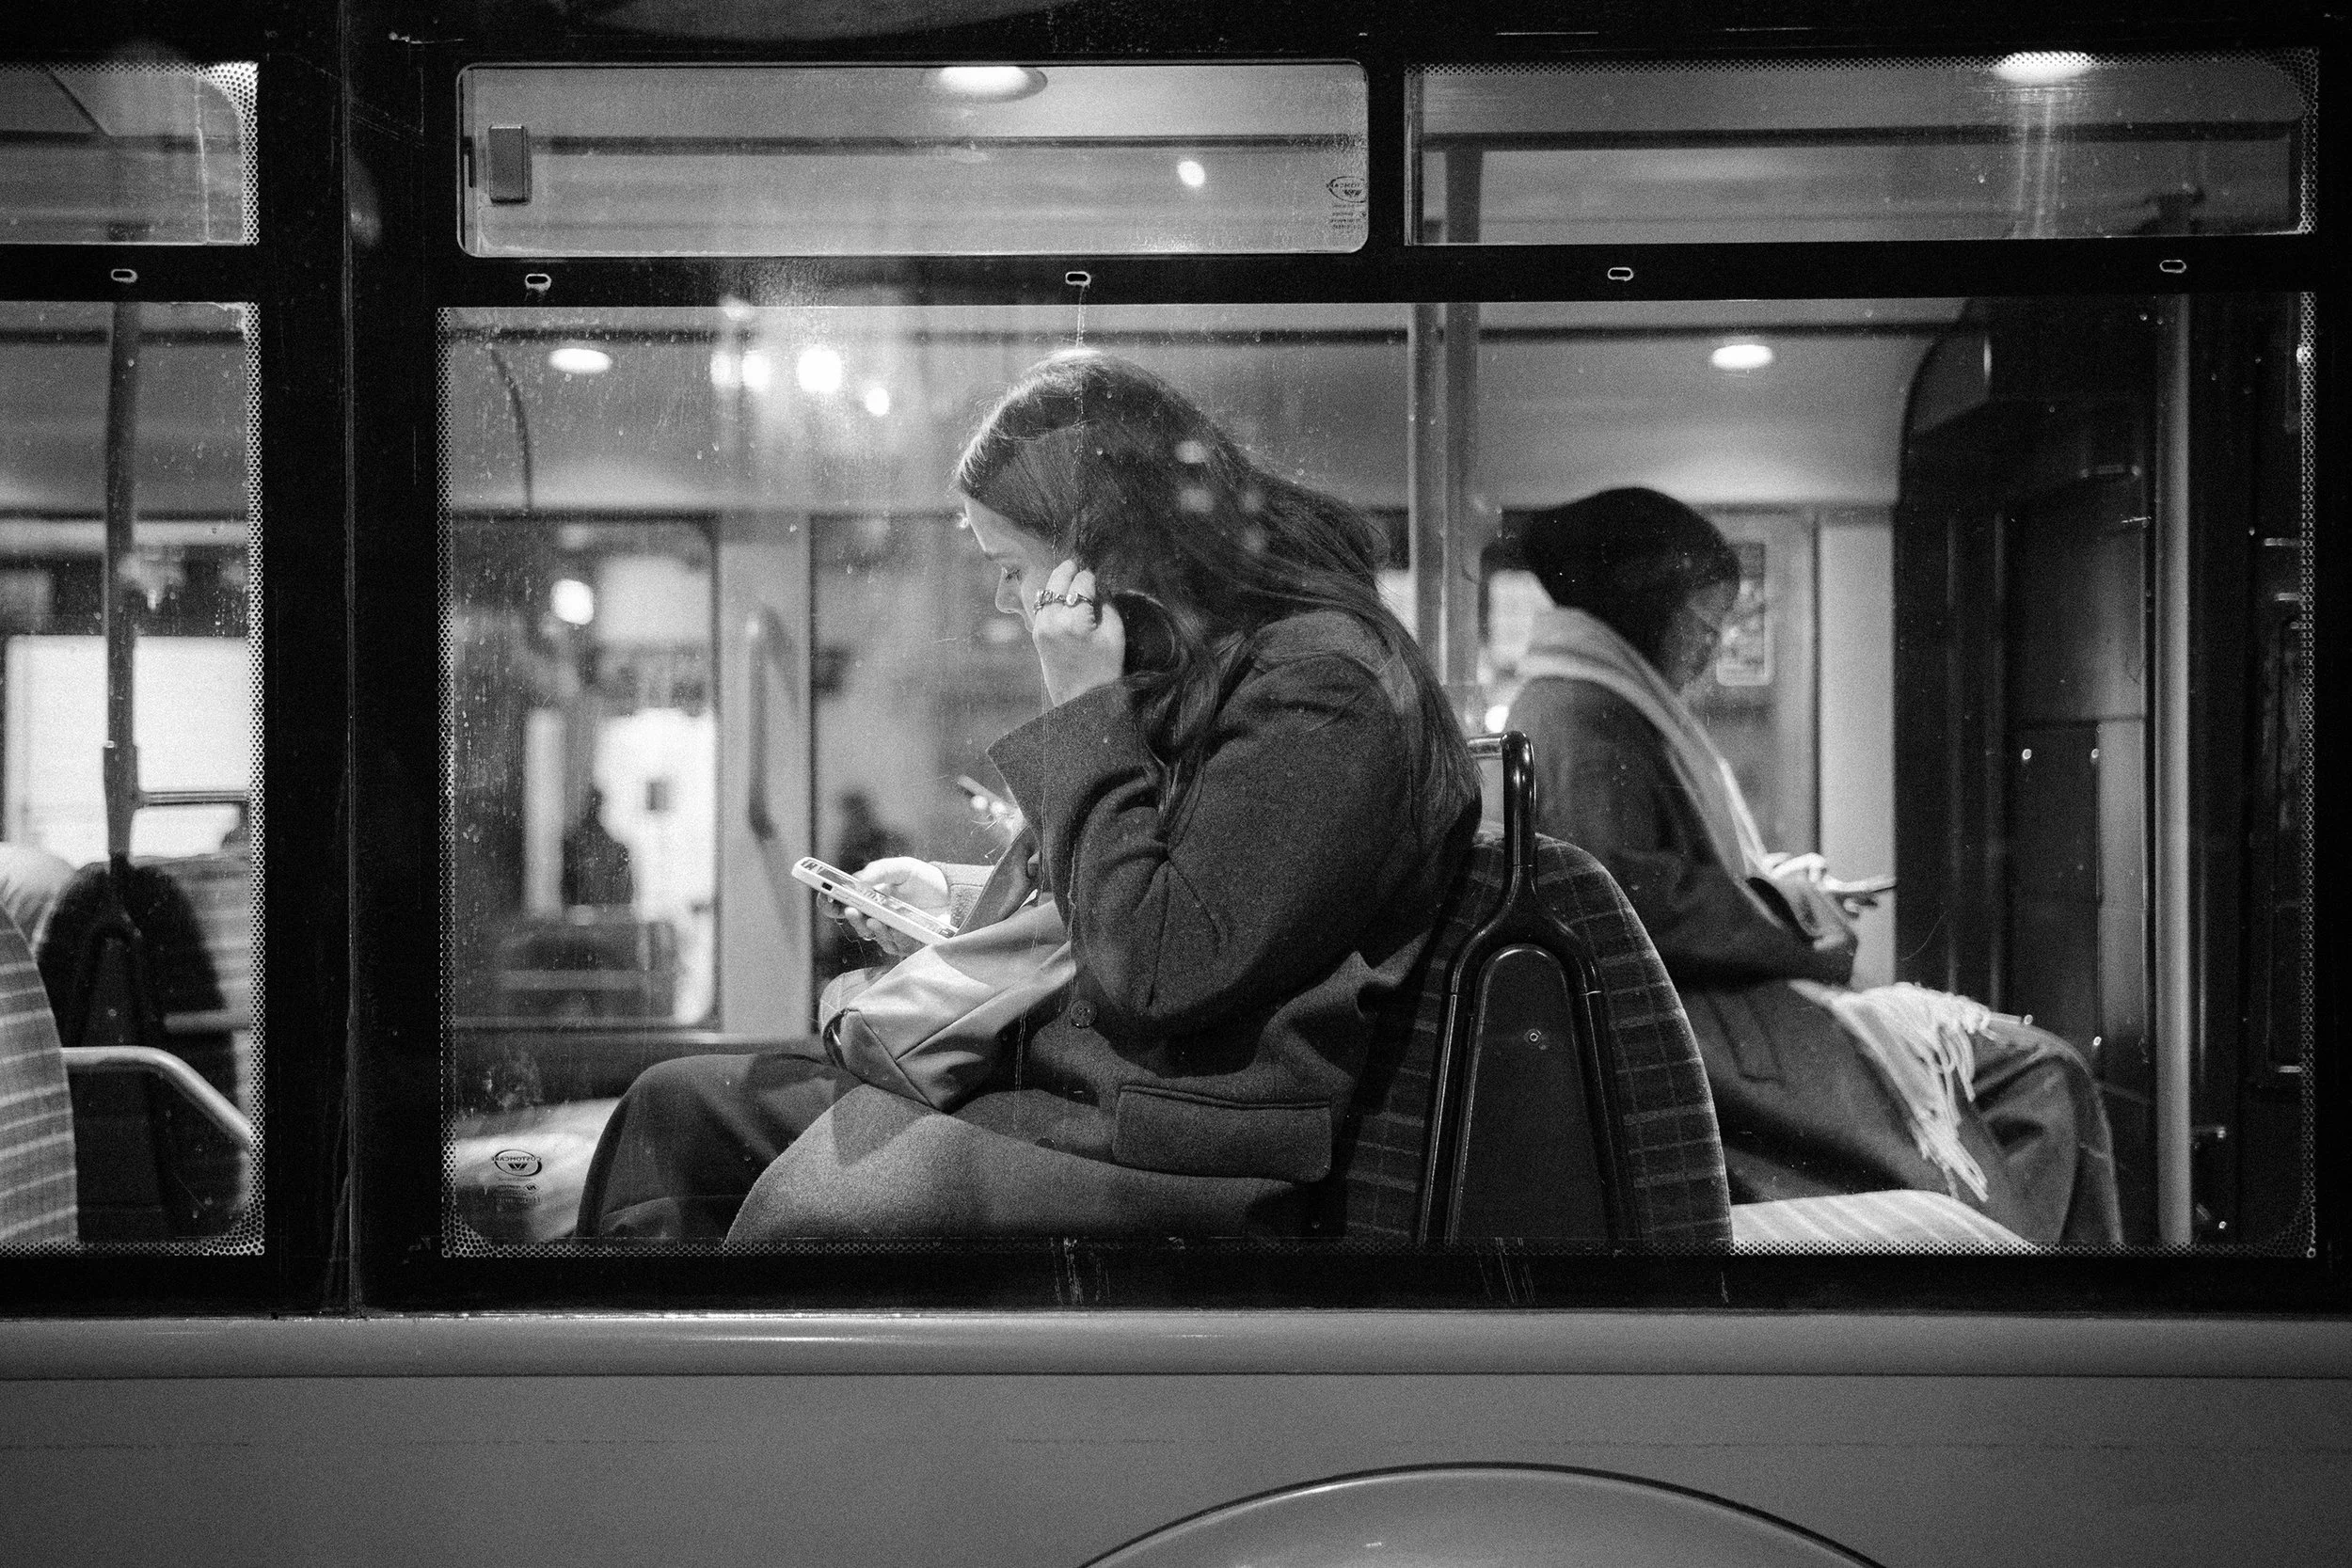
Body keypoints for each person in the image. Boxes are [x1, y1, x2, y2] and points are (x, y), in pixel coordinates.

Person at [576, 350, 1478, 1241]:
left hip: (1174, 1136)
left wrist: (1087, 702)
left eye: (1013, 566)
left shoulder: (1324, 692)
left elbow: (1158, 967)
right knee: (675, 1113)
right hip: (1090, 1083)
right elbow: (1180, 883)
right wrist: (966, 898)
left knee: (804, 1216)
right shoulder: (1217, 663)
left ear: (1101, 548)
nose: (1011, 601)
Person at [1504, 486, 2122, 1245]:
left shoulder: (1584, 705)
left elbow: (1649, 881)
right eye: (1707, 617)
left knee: (2038, 1079)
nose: (1715, 643)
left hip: (1721, 1025)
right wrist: (1798, 912)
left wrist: (1785, 893)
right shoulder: (1583, 721)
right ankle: (2032, 1313)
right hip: (1713, 1044)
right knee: (2042, 1077)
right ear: (1648, 608)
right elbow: (1632, 902)